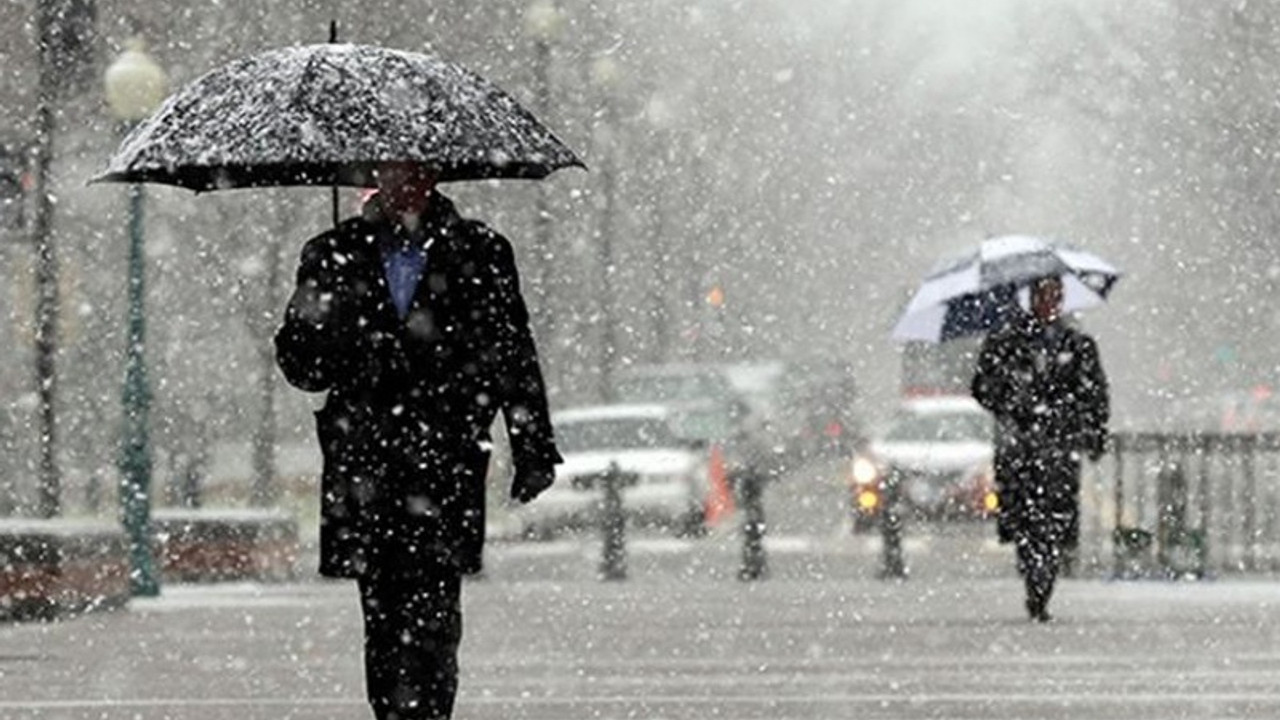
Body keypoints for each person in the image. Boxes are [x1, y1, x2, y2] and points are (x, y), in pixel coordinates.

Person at [274, 161, 561, 719]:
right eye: (392, 167)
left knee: (435, 616)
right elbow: (301, 366)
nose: (404, 179)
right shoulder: (332, 254)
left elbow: (512, 354)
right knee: (382, 620)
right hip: (366, 466)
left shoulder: (481, 251)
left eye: (416, 167)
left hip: (446, 459)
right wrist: (336, 330)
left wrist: (532, 446)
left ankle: (428, 712)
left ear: (435, 174)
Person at [970, 276, 1109, 622]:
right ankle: (1033, 573)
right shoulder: (1004, 343)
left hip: (1058, 449)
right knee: (1025, 520)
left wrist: (1090, 432)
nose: (1051, 303)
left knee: (1054, 520)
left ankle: (1042, 582)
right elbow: (983, 387)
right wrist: (1013, 399)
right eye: (1044, 295)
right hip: (1020, 449)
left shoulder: (1077, 345)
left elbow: (1094, 395)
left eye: (1056, 295)